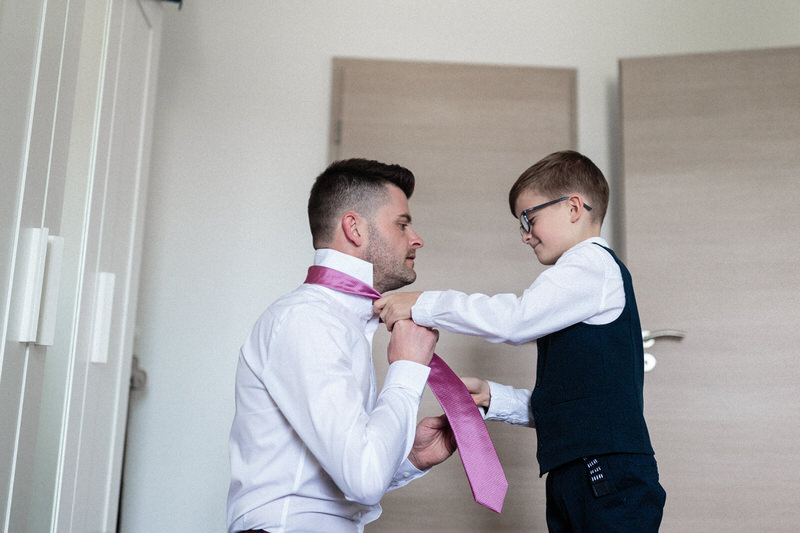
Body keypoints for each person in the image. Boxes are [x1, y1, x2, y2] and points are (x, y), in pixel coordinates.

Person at [375, 150, 666, 532]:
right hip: (580, 471)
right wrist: (495, 398)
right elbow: (574, 404)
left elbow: (515, 320)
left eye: (529, 218)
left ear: (573, 207)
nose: (526, 235)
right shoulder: (578, 286)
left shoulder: (590, 266)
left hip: (603, 471)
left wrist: (424, 304)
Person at [227, 159, 456, 533]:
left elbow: (342, 475)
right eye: (402, 224)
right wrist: (408, 368)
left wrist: (411, 459)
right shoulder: (308, 320)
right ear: (354, 228)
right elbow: (363, 478)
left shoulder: (339, 321)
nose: (416, 239)